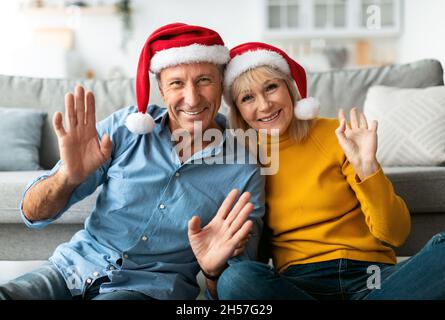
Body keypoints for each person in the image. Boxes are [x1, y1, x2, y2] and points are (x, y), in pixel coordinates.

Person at [0, 24, 265, 300]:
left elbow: (237, 287)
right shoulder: (125, 129)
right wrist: (66, 178)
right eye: (177, 83)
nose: (192, 97)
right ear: (161, 89)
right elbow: (32, 214)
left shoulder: (243, 169)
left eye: (204, 81)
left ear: (221, 84)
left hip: (148, 289)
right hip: (70, 269)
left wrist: (212, 273)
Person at [216, 42, 445, 300]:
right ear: (237, 110)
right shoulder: (243, 160)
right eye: (247, 98)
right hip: (300, 287)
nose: (264, 105)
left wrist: (368, 169)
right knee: (236, 279)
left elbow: (395, 233)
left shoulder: (337, 135)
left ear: (290, 87)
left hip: (373, 280)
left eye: (271, 87)